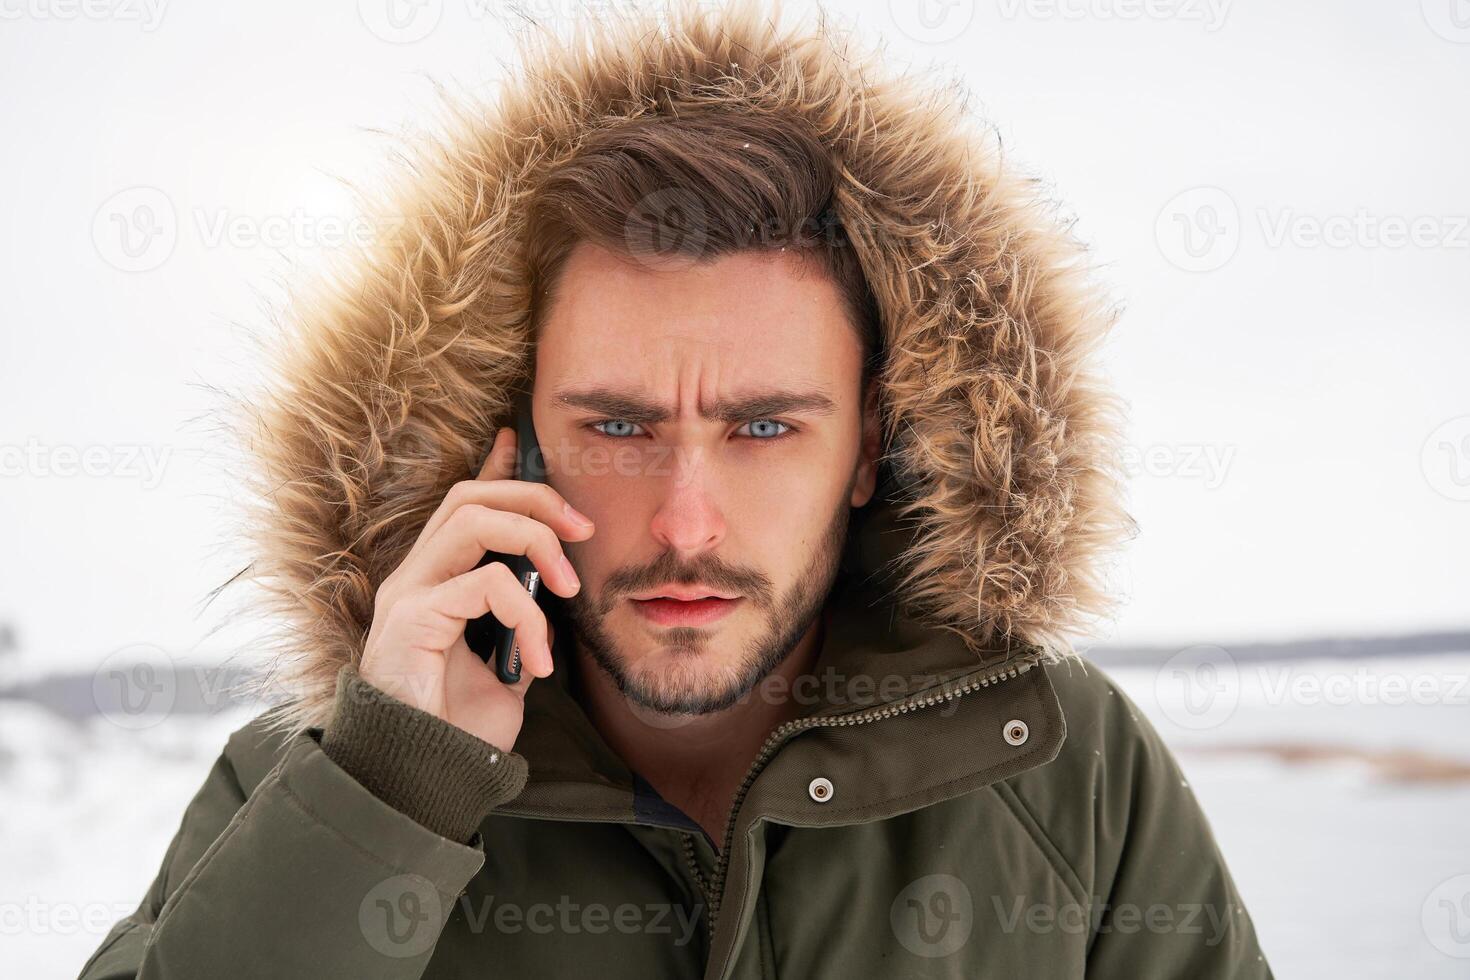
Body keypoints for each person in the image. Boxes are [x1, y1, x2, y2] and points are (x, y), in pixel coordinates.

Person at [79, 2, 1273, 977]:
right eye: (616, 425)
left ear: (870, 447)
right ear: (517, 443)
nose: (685, 522)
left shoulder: (1059, 764)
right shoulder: (329, 776)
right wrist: (393, 789)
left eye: (763, 427)